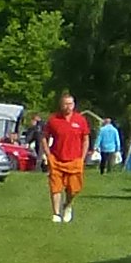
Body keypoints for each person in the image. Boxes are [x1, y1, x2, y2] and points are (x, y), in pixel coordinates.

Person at [46, 91, 91, 225]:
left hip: (75, 159)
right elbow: (44, 137)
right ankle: (56, 213)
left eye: (70, 104)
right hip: (56, 158)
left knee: (73, 189)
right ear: (61, 105)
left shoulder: (80, 120)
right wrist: (48, 154)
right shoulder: (54, 120)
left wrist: (82, 157)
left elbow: (85, 139)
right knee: (56, 187)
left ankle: (67, 205)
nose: (68, 107)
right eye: (65, 104)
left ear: (74, 105)